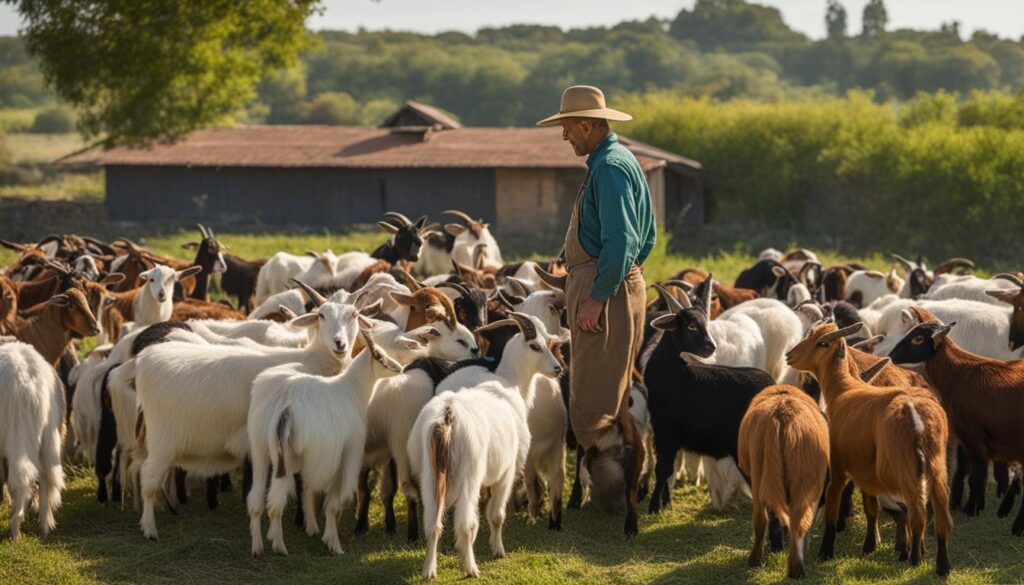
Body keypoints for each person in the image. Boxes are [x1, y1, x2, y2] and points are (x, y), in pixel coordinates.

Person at [537, 85, 656, 534]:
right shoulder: (617, 163)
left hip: (604, 290)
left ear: (587, 124)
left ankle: (610, 496)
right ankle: (616, 493)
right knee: (607, 389)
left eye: (567, 127)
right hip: (611, 283)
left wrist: (598, 294)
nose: (565, 136)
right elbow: (645, 240)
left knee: (594, 397)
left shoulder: (608, 168)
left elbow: (623, 242)